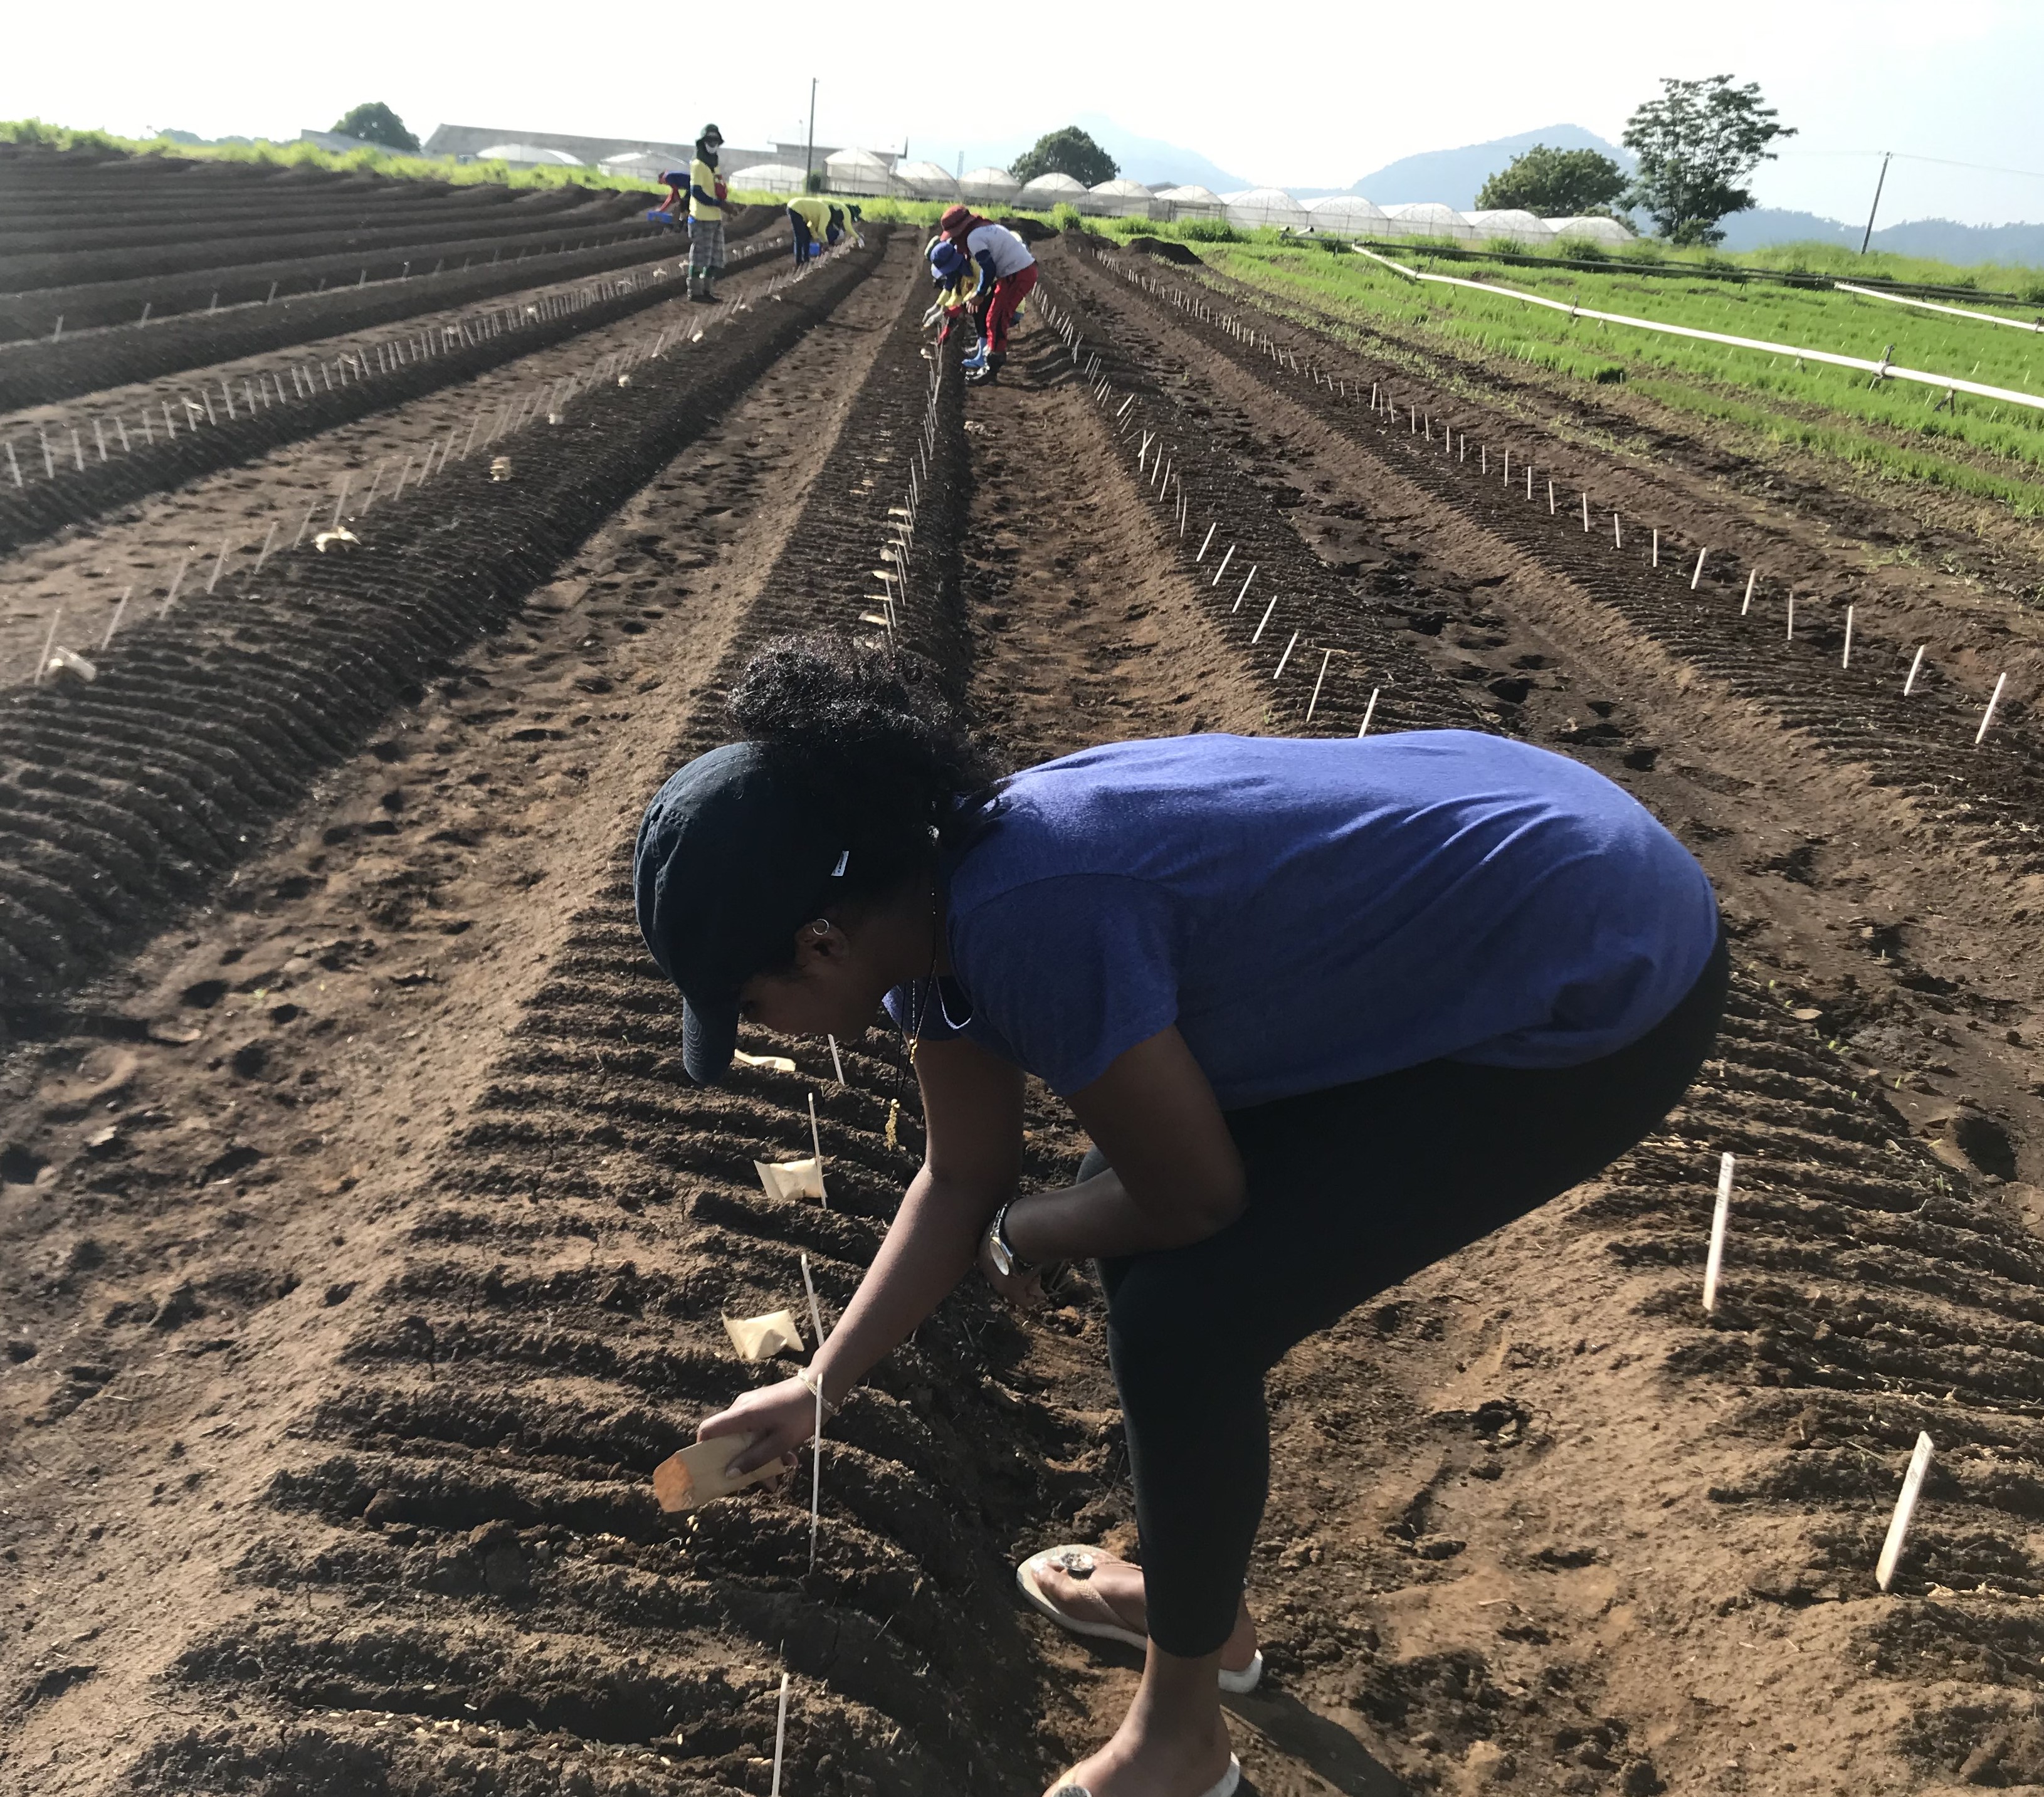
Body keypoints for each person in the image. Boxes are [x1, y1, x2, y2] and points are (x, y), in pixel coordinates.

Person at [635, 636, 1727, 1797]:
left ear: (821, 941)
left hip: (1599, 958)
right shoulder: (924, 892)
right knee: (1136, 1217)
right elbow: (964, 1177)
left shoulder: (1031, 921)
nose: (768, 1031)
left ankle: (1181, 1736)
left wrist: (1032, 1233)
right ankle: (1194, 1606)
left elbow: (1195, 1199)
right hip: (1513, 840)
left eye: (754, 1004)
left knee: (1182, 1319)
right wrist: (821, 1384)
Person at [938, 203, 1037, 383]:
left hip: (1017, 273)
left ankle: (992, 367)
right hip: (1015, 272)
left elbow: (989, 268)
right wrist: (979, 293)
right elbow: (987, 267)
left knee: (997, 318)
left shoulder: (974, 238)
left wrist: (980, 293)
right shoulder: (983, 229)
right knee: (993, 317)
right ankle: (988, 363)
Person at [687, 124, 737, 302]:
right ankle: (695, 292)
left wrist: (723, 203)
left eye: (716, 140)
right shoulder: (698, 165)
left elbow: (717, 189)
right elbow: (697, 193)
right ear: (703, 142)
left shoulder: (714, 165)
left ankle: (707, 290)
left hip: (715, 218)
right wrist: (720, 204)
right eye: (710, 140)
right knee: (700, 256)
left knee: (716, 258)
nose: (713, 143)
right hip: (701, 217)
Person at [786, 192, 834, 263]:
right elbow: (821, 230)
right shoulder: (827, 214)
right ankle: (799, 261)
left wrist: (816, 237)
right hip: (796, 208)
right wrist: (825, 242)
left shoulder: (817, 217)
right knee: (800, 236)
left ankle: (806, 258)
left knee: (807, 236)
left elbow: (810, 225)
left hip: (802, 213)